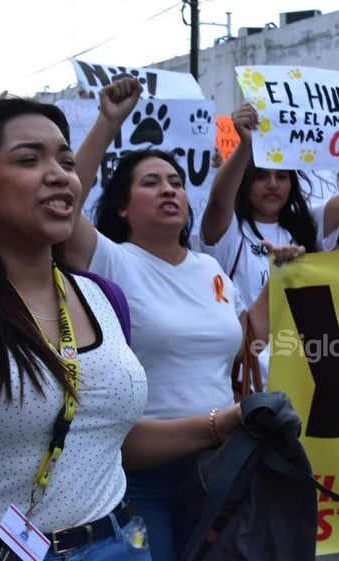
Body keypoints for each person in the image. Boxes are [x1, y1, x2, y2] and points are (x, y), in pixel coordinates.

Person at [0, 37, 243, 561]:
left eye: (66, 161)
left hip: (117, 544)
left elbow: (104, 439)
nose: (59, 173)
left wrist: (220, 425)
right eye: (29, 159)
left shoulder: (99, 297)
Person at [60, 83, 304, 561]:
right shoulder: (109, 260)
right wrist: (108, 122)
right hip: (142, 472)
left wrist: (282, 277)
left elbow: (246, 345)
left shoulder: (210, 270)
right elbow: (68, 202)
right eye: (150, 182)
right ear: (122, 208)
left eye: (175, 181)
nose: (169, 188)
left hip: (222, 467)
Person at [200, 101, 339, 307]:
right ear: (245, 182)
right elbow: (219, 202)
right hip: (249, 343)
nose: (273, 184)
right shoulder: (229, 230)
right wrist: (246, 145)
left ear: (292, 184)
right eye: (261, 176)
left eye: (282, 176)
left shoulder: (307, 224)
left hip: (304, 342)